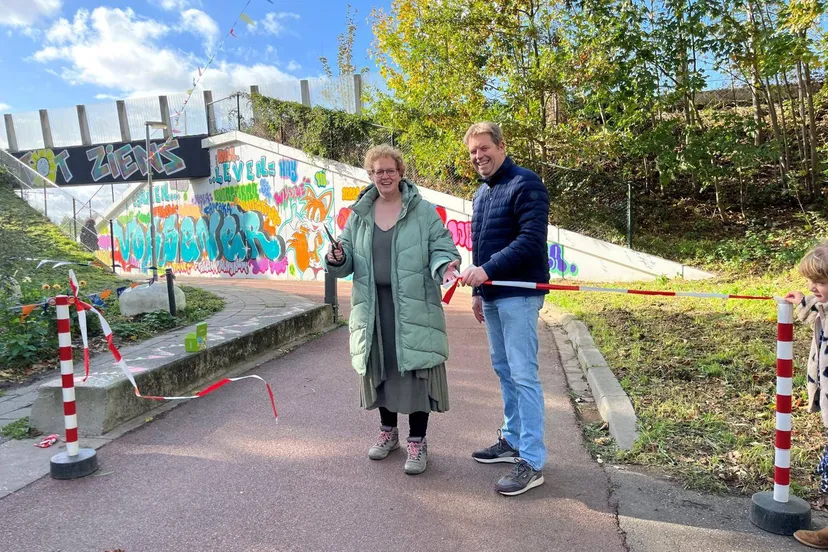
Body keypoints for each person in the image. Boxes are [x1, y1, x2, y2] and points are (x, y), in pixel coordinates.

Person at [325, 144, 461, 475]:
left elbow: (443, 247)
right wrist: (337, 258)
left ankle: (417, 441)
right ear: (370, 175)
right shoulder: (359, 214)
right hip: (373, 308)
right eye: (378, 171)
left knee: (415, 373)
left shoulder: (423, 211)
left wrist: (445, 265)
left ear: (400, 173)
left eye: (390, 170)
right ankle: (388, 433)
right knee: (380, 369)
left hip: (413, 305)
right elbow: (345, 258)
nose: (384, 176)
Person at [458, 122, 550, 496]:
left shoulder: (526, 183)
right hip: (493, 296)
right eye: (473, 151)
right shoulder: (481, 193)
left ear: (501, 146)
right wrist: (479, 291)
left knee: (523, 374)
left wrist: (487, 271)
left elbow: (531, 240)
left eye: (484, 148)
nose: (478, 156)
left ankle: (532, 460)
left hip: (520, 294)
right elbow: (481, 247)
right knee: (504, 369)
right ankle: (512, 440)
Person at [784, 242, 828, 548]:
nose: (813, 287)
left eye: (820, 282)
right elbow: (817, 309)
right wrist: (803, 301)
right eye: (810, 281)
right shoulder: (824, 306)